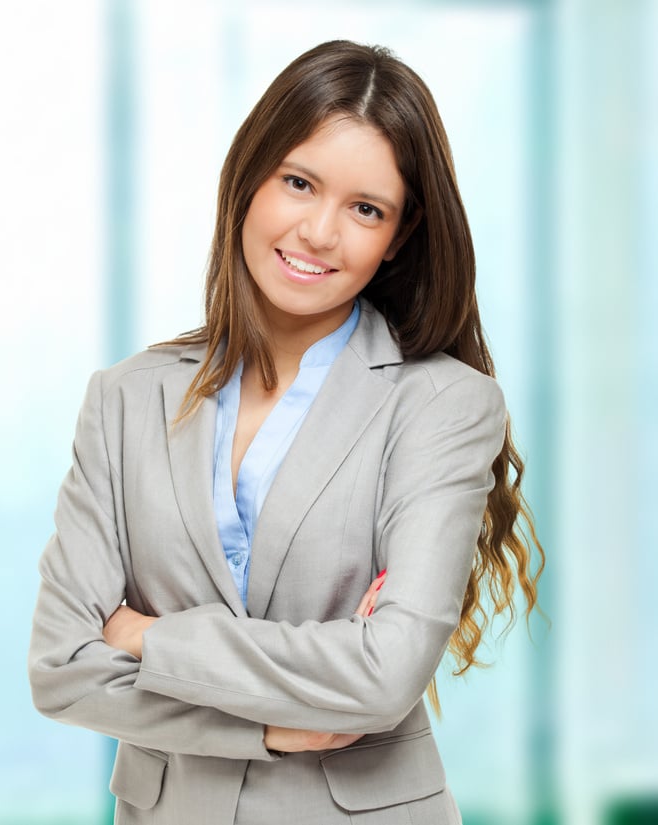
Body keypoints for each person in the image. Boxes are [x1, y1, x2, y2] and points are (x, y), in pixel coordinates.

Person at [27, 40, 544, 825]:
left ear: (398, 236)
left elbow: (383, 676)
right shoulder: (125, 398)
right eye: (298, 183)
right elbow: (61, 669)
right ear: (249, 177)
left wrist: (148, 637)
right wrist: (268, 726)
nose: (319, 232)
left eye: (365, 209)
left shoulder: (444, 405)